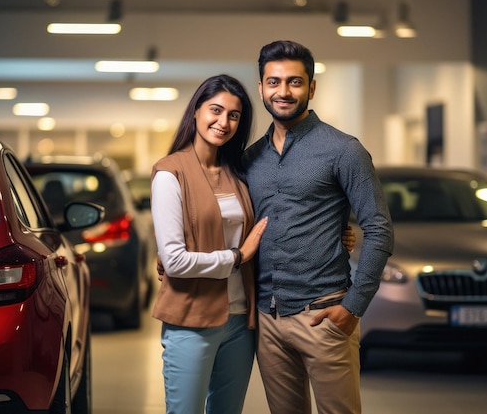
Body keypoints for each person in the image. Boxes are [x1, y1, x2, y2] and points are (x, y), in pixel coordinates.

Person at [242, 40, 394, 414]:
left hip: (325, 315)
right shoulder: (250, 159)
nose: (283, 91)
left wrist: (353, 308)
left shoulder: (344, 150)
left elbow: (379, 229)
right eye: (273, 82)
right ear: (261, 87)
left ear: (311, 87)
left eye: (294, 82)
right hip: (267, 319)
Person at [150, 74, 268, 414]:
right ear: (197, 111)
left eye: (234, 115)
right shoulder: (170, 174)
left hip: (240, 321)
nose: (224, 121)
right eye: (216, 110)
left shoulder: (238, 173)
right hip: (191, 320)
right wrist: (236, 256)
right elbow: (173, 261)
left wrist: (341, 234)